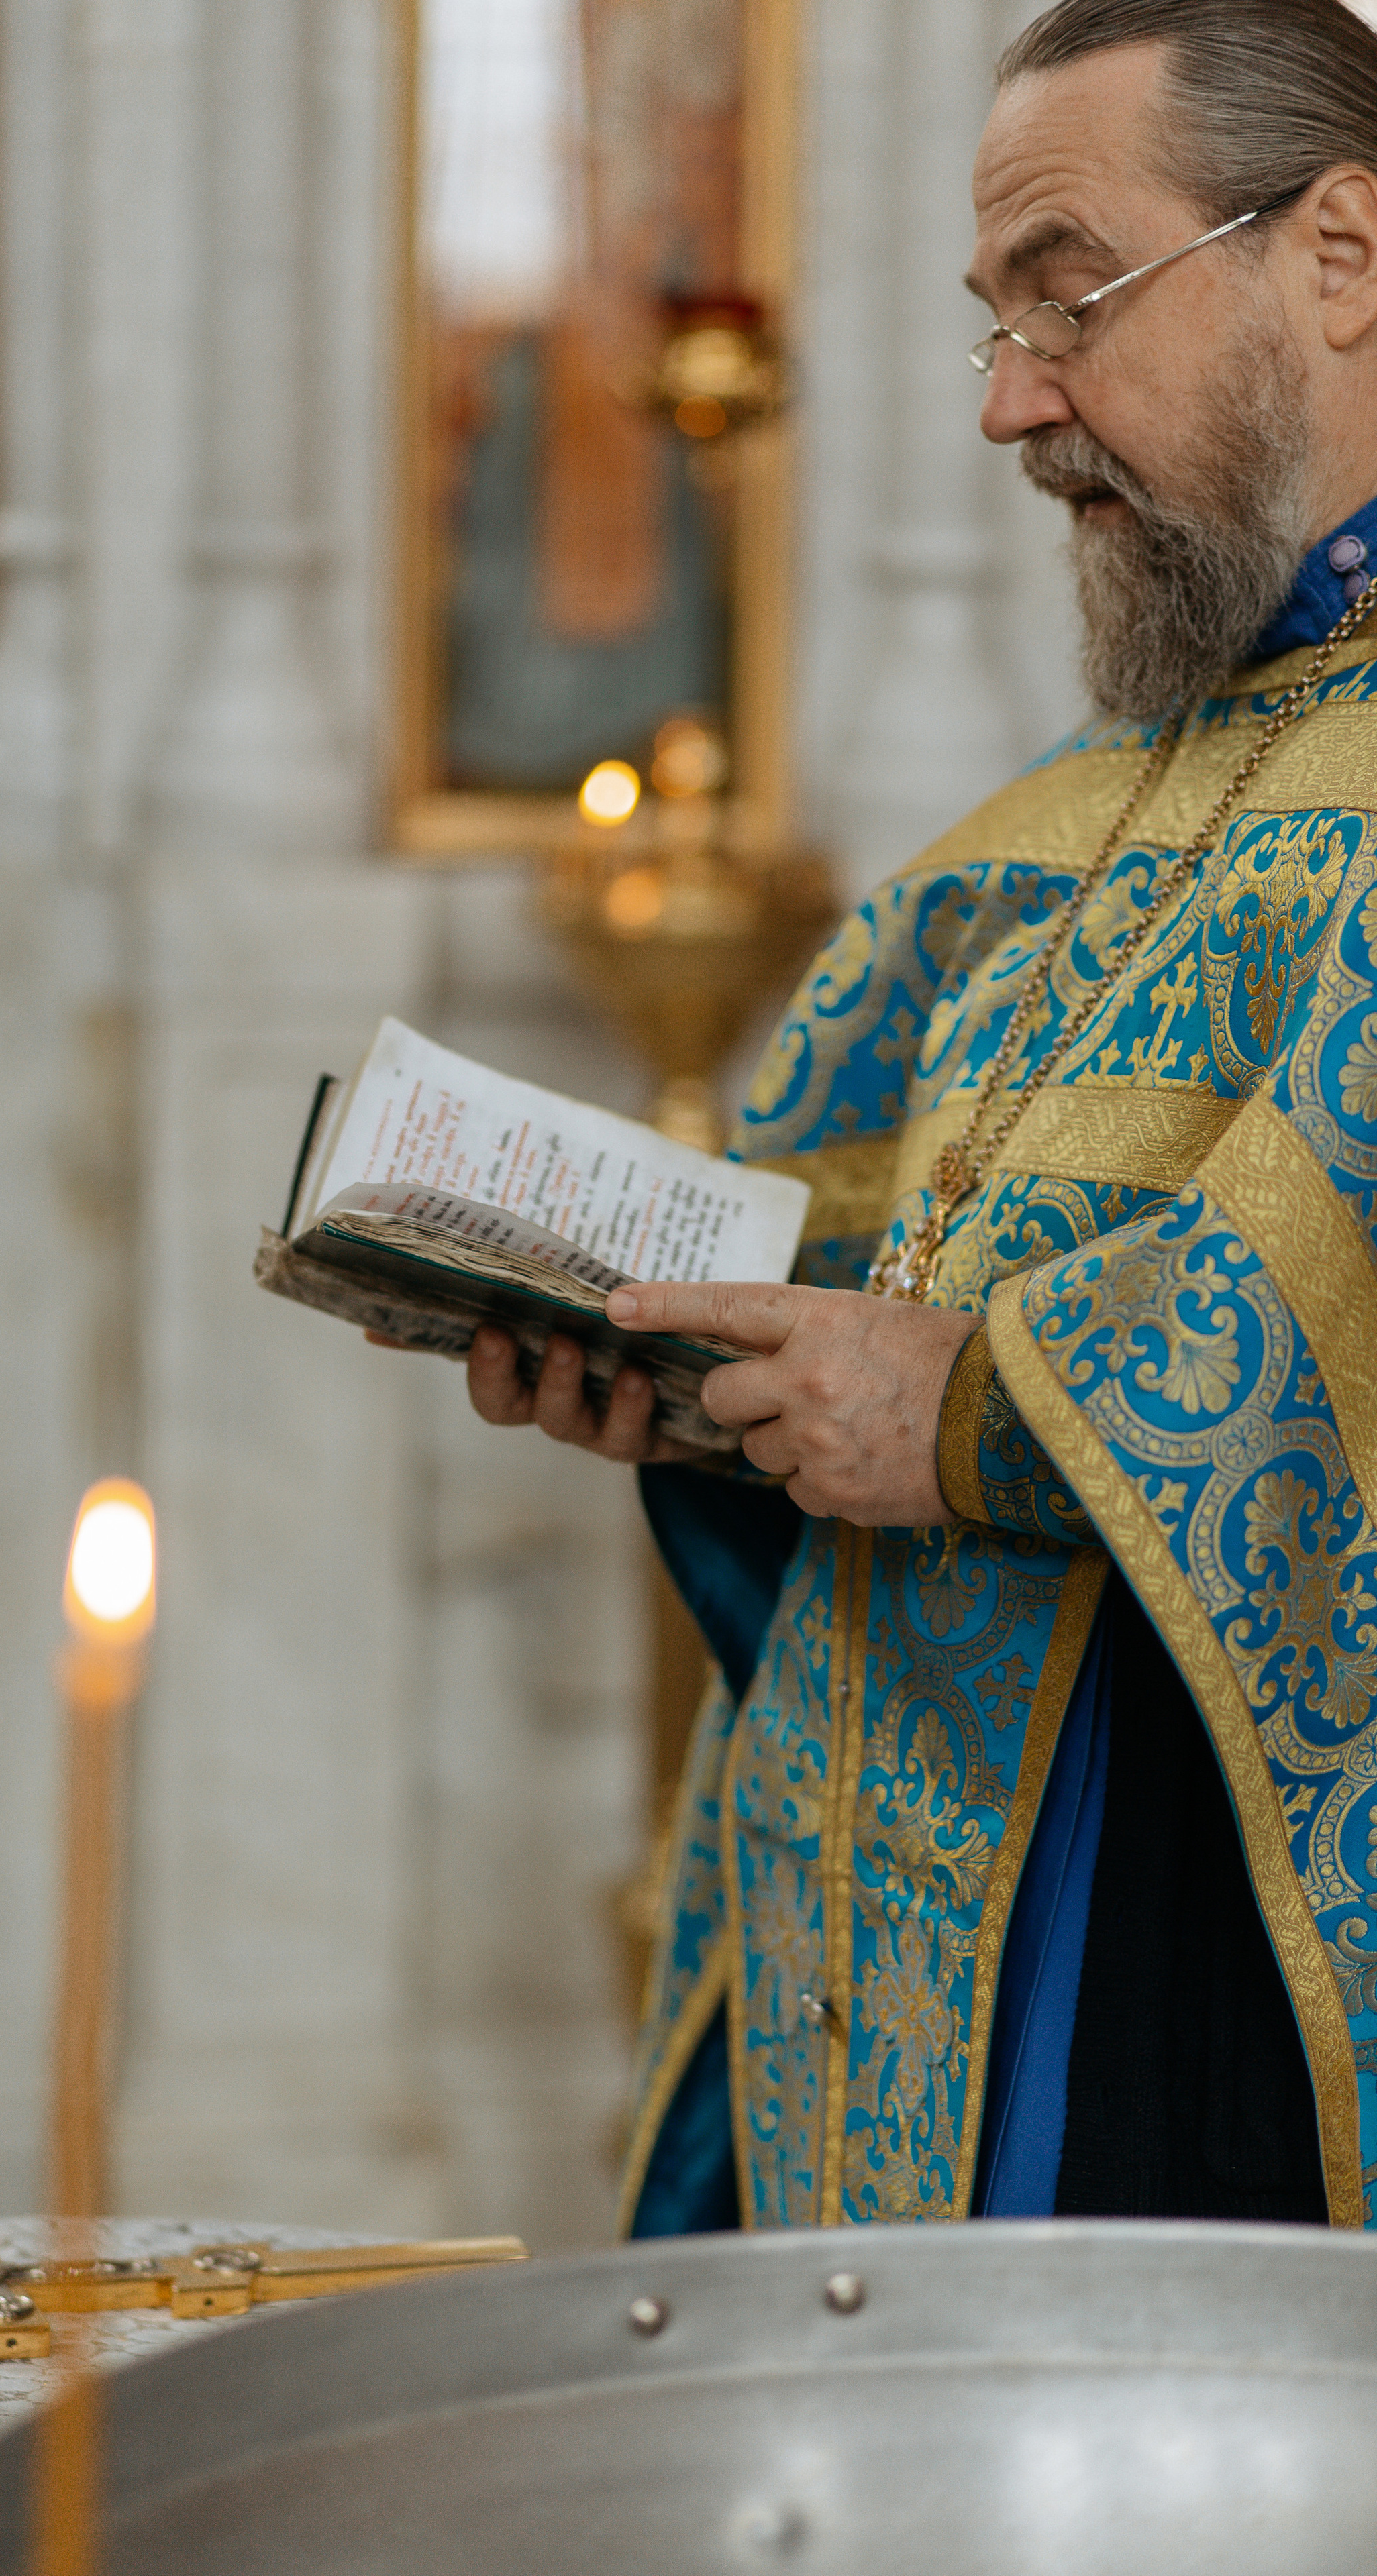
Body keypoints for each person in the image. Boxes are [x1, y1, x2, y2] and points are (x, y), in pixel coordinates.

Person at [466, 0, 1377, 2233]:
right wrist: (698, 1382)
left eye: (1067, 293)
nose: (1010, 402)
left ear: (1344, 251)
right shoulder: (1040, 840)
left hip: (1208, 2035)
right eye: (991, 325)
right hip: (899, 2000)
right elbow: (849, 1277)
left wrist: (973, 1420)